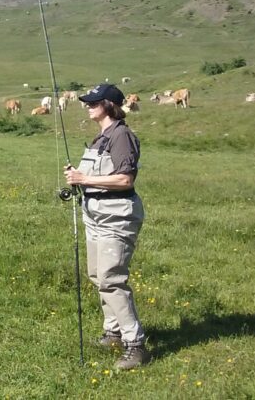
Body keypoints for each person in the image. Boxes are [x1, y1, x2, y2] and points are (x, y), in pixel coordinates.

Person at [64, 83, 150, 370]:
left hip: (117, 215)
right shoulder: (101, 137)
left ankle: (135, 345)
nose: (88, 105)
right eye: (88, 102)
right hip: (96, 215)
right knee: (96, 274)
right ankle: (113, 332)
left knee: (112, 279)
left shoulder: (122, 136)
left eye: (94, 102)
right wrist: (77, 177)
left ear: (110, 105)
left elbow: (126, 180)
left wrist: (84, 180)